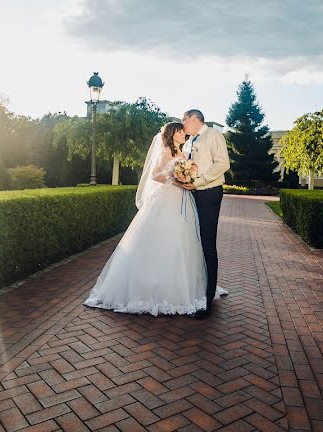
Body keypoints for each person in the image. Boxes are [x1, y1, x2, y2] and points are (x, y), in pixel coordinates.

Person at [84, 122, 226, 316]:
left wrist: (187, 177)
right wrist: (175, 180)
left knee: (184, 241)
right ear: (173, 134)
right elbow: (155, 175)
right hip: (167, 197)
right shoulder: (166, 150)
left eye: (184, 129)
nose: (183, 132)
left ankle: (186, 286)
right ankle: (155, 288)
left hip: (184, 198)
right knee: (163, 239)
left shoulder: (184, 150)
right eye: (180, 130)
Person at [177, 109, 230, 319]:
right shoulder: (189, 141)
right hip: (192, 195)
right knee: (194, 242)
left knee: (207, 242)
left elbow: (223, 164)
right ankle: (196, 291)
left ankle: (207, 299)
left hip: (208, 194)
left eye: (184, 120)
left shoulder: (214, 135)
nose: (183, 124)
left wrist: (198, 182)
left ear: (194, 118)